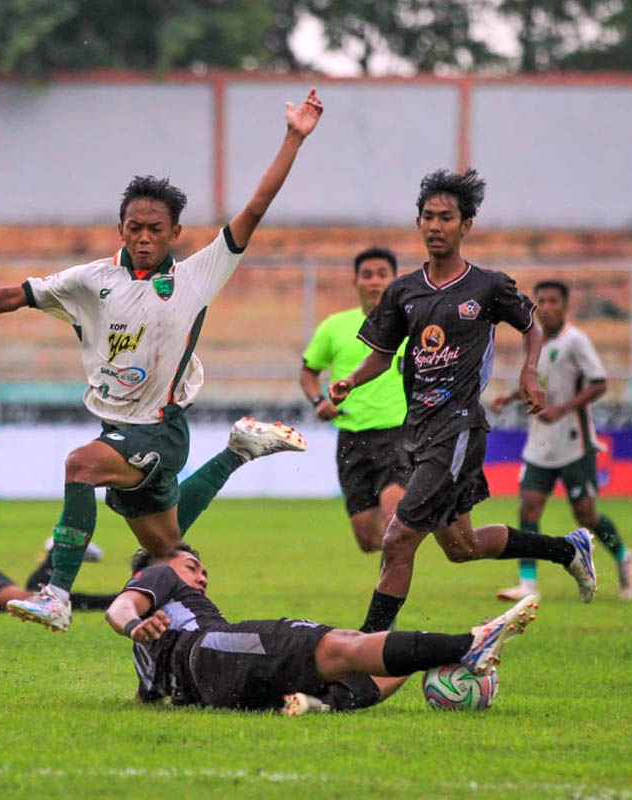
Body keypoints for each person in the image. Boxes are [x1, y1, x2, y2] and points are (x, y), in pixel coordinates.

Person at [0, 88, 324, 632]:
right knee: (165, 542)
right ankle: (237, 450)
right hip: (119, 426)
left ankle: (56, 595)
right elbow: (15, 295)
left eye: (155, 229)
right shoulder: (92, 280)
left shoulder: (195, 276)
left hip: (158, 429)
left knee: (78, 466)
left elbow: (254, 209)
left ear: (174, 233)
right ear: (120, 229)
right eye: (133, 227)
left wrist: (292, 138)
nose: (143, 237)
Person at [329, 169, 598, 633]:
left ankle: (365, 654)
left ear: (465, 225)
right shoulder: (403, 291)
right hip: (416, 430)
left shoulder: (487, 287)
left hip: (457, 429)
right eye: (428, 217)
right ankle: (567, 549)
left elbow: (531, 325)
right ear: (418, 223)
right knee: (461, 547)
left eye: (446, 218)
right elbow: (383, 353)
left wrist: (529, 370)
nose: (435, 226)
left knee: (397, 539)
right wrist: (351, 381)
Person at [105, 545, 538, 714]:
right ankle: (470, 644)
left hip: (214, 687)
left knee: (351, 661)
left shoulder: (149, 653)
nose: (200, 578)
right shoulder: (161, 576)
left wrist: (141, 633)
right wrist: (134, 623)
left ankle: (318, 704)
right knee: (339, 646)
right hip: (214, 650)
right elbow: (119, 607)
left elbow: (150, 694)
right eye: (193, 567)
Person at [490, 280, 632, 602]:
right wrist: (511, 396)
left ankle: (623, 556)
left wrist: (562, 409)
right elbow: (539, 381)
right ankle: (527, 583)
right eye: (540, 301)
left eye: (552, 301)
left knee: (585, 514)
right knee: (529, 507)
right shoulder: (535, 340)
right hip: (541, 442)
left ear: (564, 305)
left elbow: (599, 383)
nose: (545, 307)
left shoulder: (576, 341)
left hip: (575, 441)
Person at [300, 247, 409, 552]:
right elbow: (308, 372)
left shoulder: (410, 325)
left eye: (382, 275)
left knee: (393, 520)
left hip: (398, 435)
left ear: (395, 279)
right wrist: (319, 401)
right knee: (368, 541)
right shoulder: (335, 327)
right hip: (351, 438)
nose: (375, 282)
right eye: (368, 275)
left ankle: (389, 595)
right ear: (355, 281)